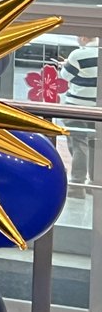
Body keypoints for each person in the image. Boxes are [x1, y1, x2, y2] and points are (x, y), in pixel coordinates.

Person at [60, 36, 99, 195]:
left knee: (78, 144)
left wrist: (65, 66)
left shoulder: (78, 55)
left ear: (84, 38)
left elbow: (65, 75)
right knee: (95, 145)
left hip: (76, 106)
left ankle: (77, 184)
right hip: (97, 108)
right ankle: (94, 183)